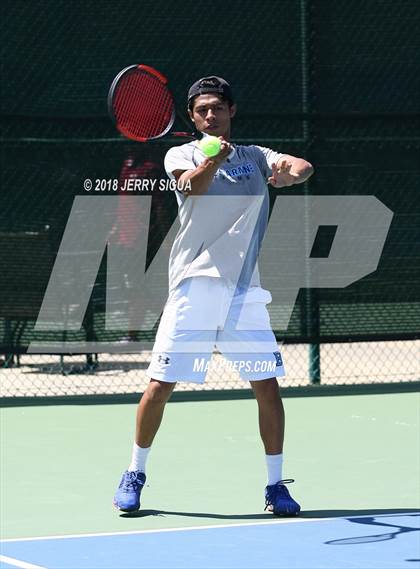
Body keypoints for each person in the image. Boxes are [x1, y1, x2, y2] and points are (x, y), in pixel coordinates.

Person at [113, 76, 314, 516]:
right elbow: (190, 187)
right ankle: (134, 472)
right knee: (160, 387)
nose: (210, 115)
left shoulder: (255, 156)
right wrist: (209, 159)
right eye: (202, 109)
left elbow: (301, 166)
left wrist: (289, 172)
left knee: (267, 387)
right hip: (193, 287)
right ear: (192, 116)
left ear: (231, 111)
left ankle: (275, 486)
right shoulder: (180, 153)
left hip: (243, 293)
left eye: (218, 108)